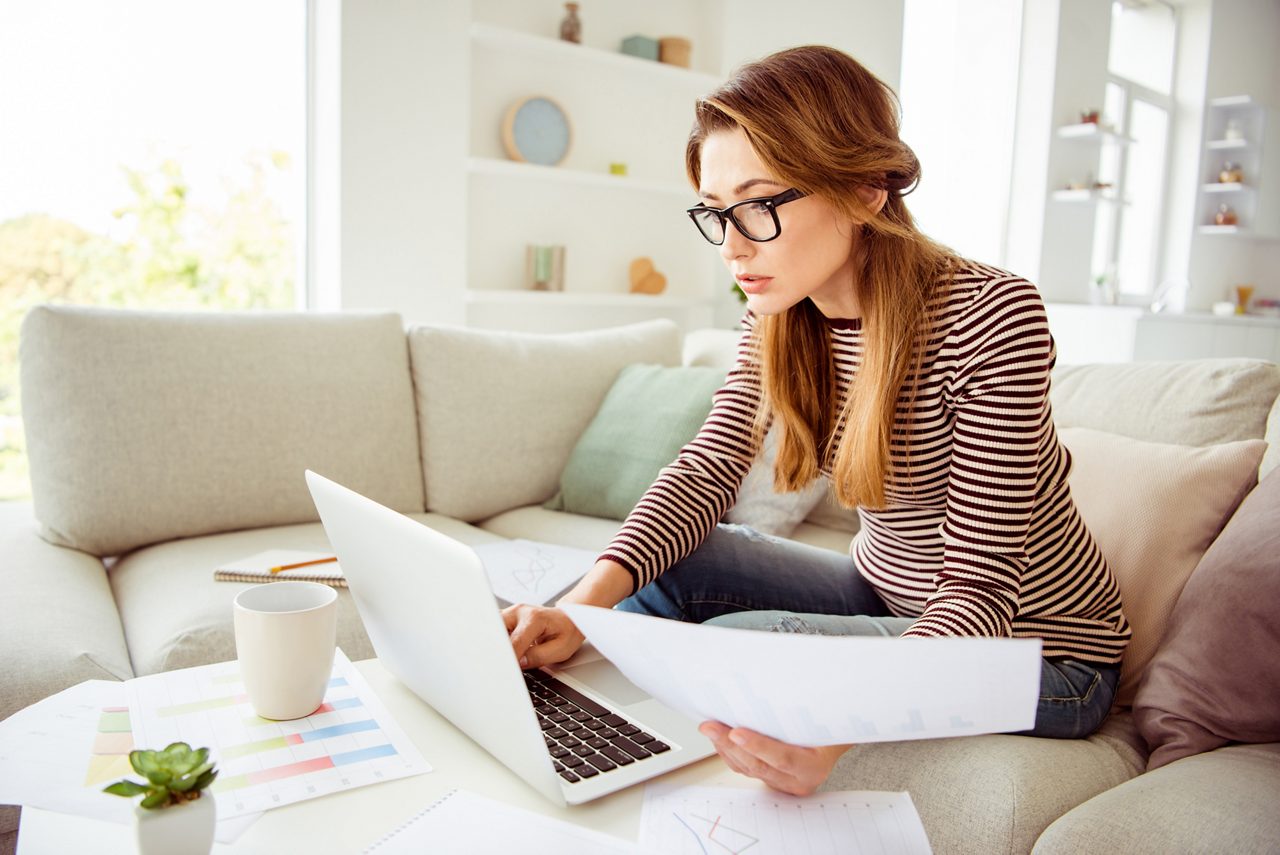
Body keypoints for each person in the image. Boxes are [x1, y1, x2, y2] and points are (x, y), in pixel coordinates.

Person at [503, 45, 1130, 797]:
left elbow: (977, 592)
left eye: (760, 205)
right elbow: (705, 472)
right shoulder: (776, 311)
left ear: (867, 188)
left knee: (741, 651)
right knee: (664, 568)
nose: (732, 246)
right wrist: (576, 610)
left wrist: (841, 728)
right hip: (886, 593)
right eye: (717, 212)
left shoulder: (991, 315)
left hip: (1041, 655)